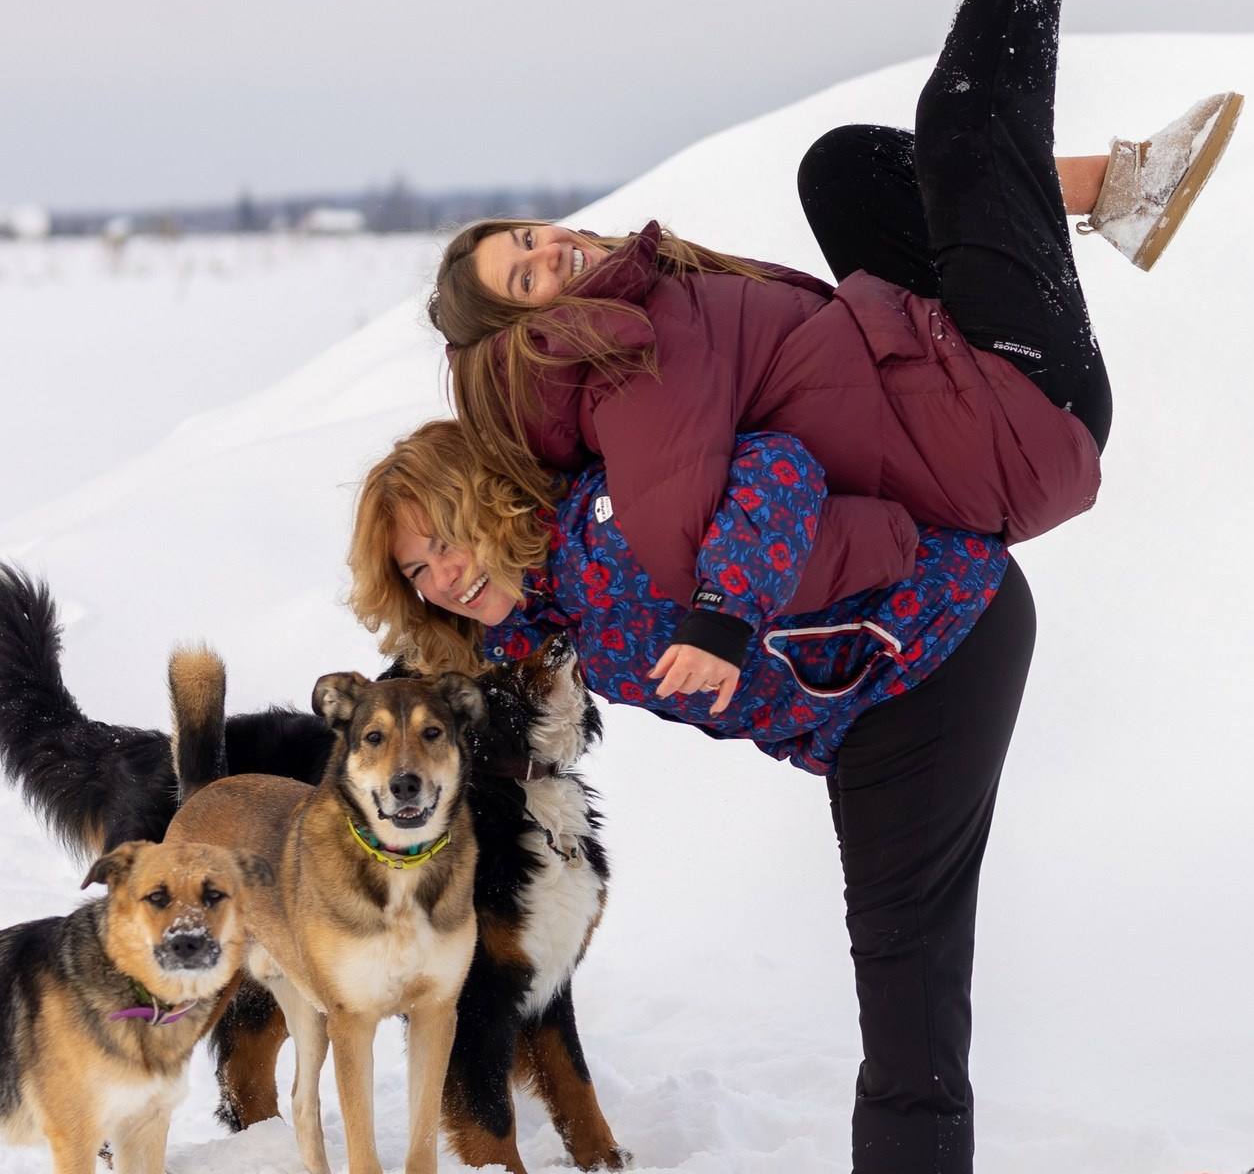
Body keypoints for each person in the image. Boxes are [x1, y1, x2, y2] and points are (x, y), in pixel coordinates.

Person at [425, 0, 1241, 714]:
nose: (549, 252)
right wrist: (882, 546)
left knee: (843, 169)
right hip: (1015, 424)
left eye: (528, 238)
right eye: (526, 279)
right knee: (965, 123)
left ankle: (1120, 193)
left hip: (941, 377)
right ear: (525, 327)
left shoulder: (632, 309)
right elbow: (682, 540)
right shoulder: (620, 363)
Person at [348, 417, 1024, 1174]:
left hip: (936, 631)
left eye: (445, 541)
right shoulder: (525, 618)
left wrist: (723, 614)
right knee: (899, 951)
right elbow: (420, 707)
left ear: (487, 503)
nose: (441, 577)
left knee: (907, 951)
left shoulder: (605, 523)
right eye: (416, 571)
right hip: (858, 703)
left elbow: (780, 465)